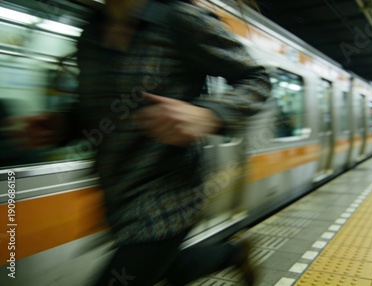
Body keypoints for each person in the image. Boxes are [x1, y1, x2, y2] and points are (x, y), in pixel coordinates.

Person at [26, 0, 271, 285]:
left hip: (169, 197)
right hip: (116, 196)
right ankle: (233, 253)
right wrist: (62, 126)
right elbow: (92, 112)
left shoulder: (180, 20)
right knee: (163, 269)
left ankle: (231, 254)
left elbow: (257, 78)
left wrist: (210, 115)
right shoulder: (91, 33)